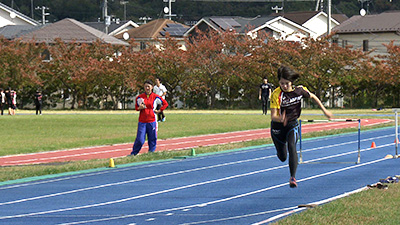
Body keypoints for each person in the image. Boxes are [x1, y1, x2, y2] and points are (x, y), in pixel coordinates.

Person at [270, 66, 333, 188]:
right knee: (282, 157)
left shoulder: (299, 90)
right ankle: (279, 151)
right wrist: (281, 118)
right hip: (278, 128)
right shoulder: (276, 94)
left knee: (292, 145)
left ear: (291, 82)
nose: (284, 86)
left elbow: (313, 96)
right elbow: (273, 116)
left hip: (292, 125)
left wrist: (325, 111)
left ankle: (293, 177)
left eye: (286, 83)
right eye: (281, 83)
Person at [129, 80, 168, 156]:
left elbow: (165, 104)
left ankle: (151, 153)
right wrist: (140, 108)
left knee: (152, 138)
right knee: (140, 139)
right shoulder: (140, 97)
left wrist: (159, 110)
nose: (147, 88)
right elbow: (136, 107)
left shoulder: (155, 97)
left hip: (152, 120)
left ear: (152, 87)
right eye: (145, 86)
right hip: (142, 121)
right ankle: (134, 153)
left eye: (148, 86)